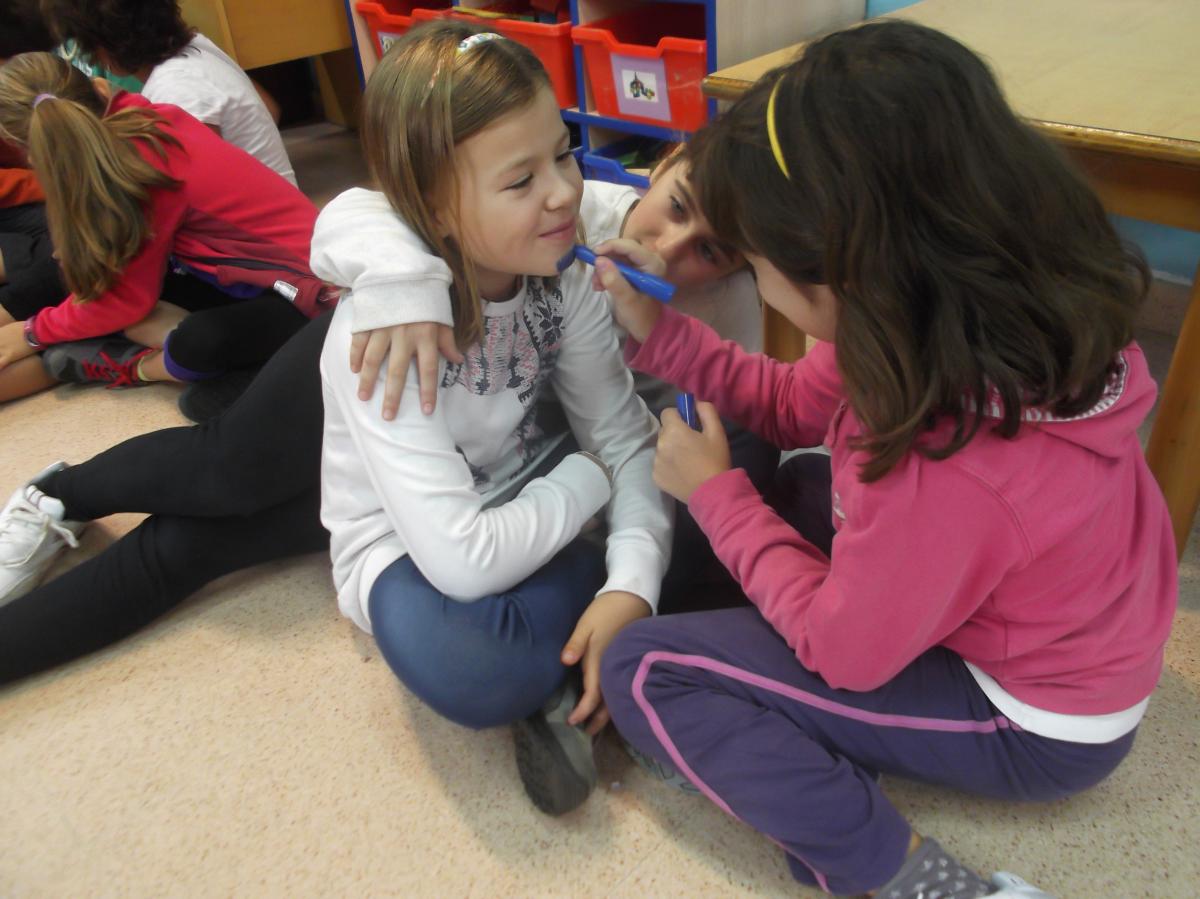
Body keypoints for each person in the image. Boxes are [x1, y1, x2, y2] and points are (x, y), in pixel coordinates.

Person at [593, 20, 1178, 899]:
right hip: (1042, 622)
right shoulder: (937, 310)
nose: (751, 278)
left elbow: (845, 654)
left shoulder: (945, 455)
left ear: (834, 271)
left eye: (751, 261)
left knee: (646, 669)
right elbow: (791, 405)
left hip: (1033, 720)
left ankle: (907, 876)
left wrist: (716, 497)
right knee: (798, 483)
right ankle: (803, 726)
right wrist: (660, 331)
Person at [312, 22, 675, 817]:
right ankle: (587, 651)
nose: (563, 192)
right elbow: (465, 562)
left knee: (711, 473)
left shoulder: (561, 266)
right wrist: (592, 482)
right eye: (521, 181)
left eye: (564, 152)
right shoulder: (381, 335)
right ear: (434, 206)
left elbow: (621, 432)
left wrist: (631, 589)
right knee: (475, 666)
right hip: (414, 551)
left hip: (531, 487)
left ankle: (596, 635)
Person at [0, 53, 330, 406]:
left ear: (31, 154)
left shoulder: (136, 170)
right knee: (82, 279)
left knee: (199, 368)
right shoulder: (145, 119)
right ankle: (128, 346)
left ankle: (144, 366)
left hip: (306, 295)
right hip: (236, 272)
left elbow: (125, 300)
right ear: (100, 87)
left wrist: (34, 332)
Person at [42, 0, 295, 183]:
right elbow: (270, 109)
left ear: (102, 45)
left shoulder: (177, 90)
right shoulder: (195, 46)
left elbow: (194, 193)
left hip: (259, 235)